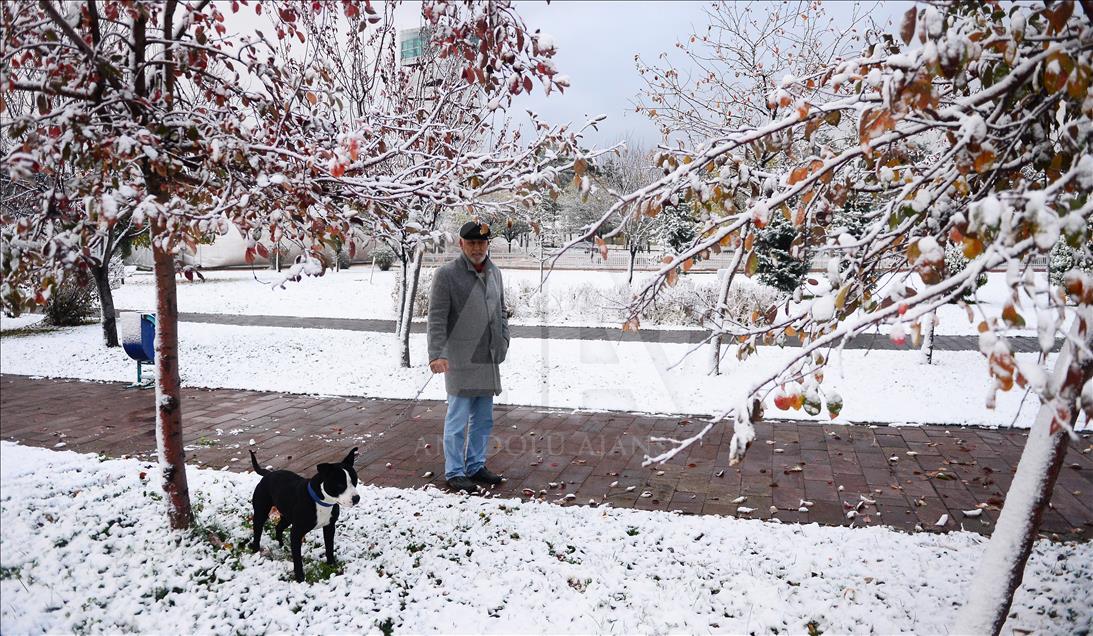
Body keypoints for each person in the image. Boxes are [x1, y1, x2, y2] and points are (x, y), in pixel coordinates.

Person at [427, 221, 510, 493]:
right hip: (459, 359)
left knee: (484, 418)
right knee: (458, 418)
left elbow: (502, 311)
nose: (477, 248)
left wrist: (504, 339)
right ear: (461, 244)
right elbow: (436, 319)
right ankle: (455, 471)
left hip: (487, 358)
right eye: (471, 243)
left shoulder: (494, 272)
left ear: (487, 244)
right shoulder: (446, 275)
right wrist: (437, 354)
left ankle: (475, 465)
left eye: (482, 243)